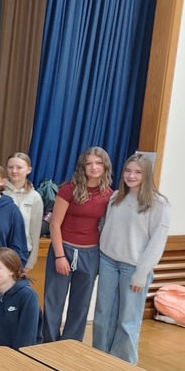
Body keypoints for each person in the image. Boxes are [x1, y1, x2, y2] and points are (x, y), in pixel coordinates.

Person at [93, 154, 171, 364]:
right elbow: (104, 226)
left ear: (147, 175)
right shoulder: (115, 197)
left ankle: (123, 364)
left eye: (138, 172)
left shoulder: (159, 204)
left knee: (127, 320)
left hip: (134, 268)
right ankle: (99, 358)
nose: (131, 175)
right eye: (128, 171)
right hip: (109, 262)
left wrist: (141, 274)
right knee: (103, 315)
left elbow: (157, 243)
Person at [43, 147, 113, 343]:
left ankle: (70, 345)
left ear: (105, 166)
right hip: (63, 248)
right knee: (53, 301)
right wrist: (59, 256)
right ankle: (48, 344)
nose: (93, 167)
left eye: (98, 163)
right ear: (82, 166)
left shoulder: (109, 194)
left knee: (80, 304)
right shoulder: (68, 189)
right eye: (89, 163)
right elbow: (55, 224)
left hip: (90, 254)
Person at [0, 247, 42, 350]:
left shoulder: (28, 296)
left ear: (11, 270)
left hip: (19, 356)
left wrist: (13, 360)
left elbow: (26, 338)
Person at [3, 152, 43, 272]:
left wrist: (31, 261)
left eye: (19, 167)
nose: (14, 171)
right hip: (0, 249)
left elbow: (35, 231)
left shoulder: (35, 197)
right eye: (10, 167)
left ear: (29, 170)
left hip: (22, 252)